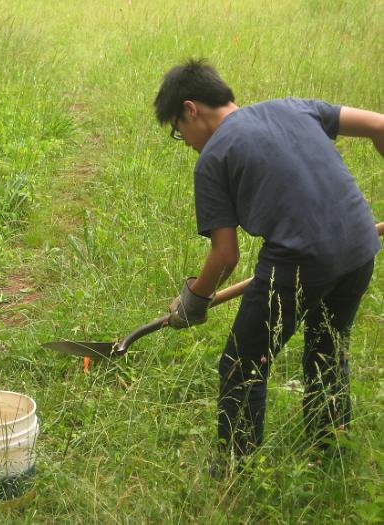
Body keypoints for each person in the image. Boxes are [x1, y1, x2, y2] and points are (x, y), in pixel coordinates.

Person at [154, 59, 383, 471]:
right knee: (326, 349)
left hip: (299, 261)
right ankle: (330, 449)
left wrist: (194, 300)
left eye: (177, 130)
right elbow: (380, 125)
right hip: (360, 246)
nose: (184, 141)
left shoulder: (212, 159)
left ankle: (233, 470)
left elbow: (225, 255)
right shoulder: (293, 106)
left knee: (243, 363)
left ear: (191, 109)